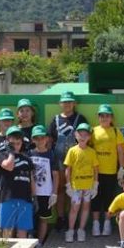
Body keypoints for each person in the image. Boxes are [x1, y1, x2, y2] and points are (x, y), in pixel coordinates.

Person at [48, 90, 88, 232]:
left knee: (75, 189)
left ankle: (74, 219)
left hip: (76, 161)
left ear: (74, 103)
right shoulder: (55, 119)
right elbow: (50, 140)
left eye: (70, 102)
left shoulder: (80, 118)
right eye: (65, 102)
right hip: (59, 160)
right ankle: (61, 218)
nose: (67, 104)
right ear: (60, 104)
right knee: (60, 190)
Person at [89, 104, 124, 237]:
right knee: (96, 198)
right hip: (95, 172)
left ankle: (107, 224)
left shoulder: (116, 131)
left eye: (107, 115)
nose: (104, 118)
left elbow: (121, 151)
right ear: (98, 117)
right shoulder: (93, 131)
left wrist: (121, 168)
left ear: (111, 117)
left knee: (109, 198)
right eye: (102, 115)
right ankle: (95, 224)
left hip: (111, 171)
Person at [0, 126, 35, 238]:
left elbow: (31, 178)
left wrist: (34, 196)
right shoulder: (2, 155)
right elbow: (9, 166)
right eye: (13, 139)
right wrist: (11, 152)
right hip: (9, 197)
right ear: (7, 140)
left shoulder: (27, 159)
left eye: (18, 139)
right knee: (7, 230)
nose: (16, 142)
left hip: (25, 198)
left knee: (22, 230)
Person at [64, 123, 99, 243]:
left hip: (88, 186)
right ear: (75, 135)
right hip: (76, 186)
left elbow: (95, 169)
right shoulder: (72, 151)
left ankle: (81, 230)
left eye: (86, 134)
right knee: (74, 209)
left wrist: (95, 184)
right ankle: (70, 230)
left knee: (85, 208)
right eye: (80, 134)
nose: (83, 136)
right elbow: (68, 169)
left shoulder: (92, 152)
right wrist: (68, 185)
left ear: (89, 137)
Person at [28, 125, 59, 248]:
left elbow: (56, 175)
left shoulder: (51, 154)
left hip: (46, 193)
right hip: (31, 193)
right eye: (37, 138)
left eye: (42, 137)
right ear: (32, 140)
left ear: (47, 139)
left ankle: (40, 243)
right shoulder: (29, 153)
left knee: (44, 219)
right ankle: (29, 243)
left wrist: (54, 193)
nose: (40, 140)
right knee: (30, 218)